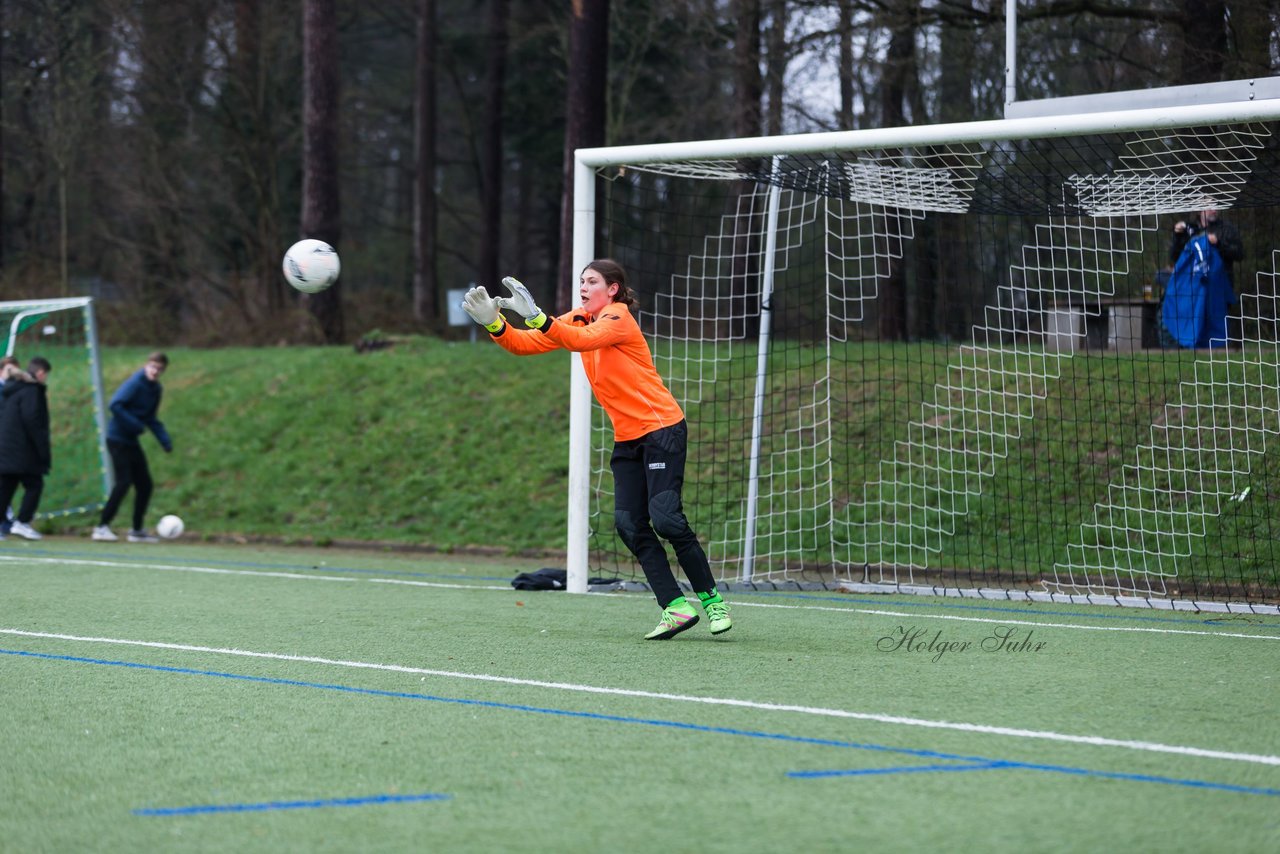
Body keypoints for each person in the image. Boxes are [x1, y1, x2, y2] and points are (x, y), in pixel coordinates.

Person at [461, 260, 732, 640]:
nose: (584, 287)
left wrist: (537, 315)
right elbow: (526, 344)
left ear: (614, 289)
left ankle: (712, 600)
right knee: (628, 524)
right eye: (581, 281)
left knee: (667, 520)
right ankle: (675, 607)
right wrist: (495, 323)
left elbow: (579, 342)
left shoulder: (618, 319)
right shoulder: (576, 319)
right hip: (627, 438)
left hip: (662, 429)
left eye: (592, 281)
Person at [93, 352, 172, 543]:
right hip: (117, 438)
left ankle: (136, 531)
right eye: (152, 366)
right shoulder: (135, 383)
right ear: (147, 365)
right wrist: (134, 424)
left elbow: (151, 418)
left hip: (131, 441)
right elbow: (115, 405)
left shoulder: (156, 389)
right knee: (124, 482)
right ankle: (101, 527)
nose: (155, 371)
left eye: (159, 369)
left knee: (145, 484)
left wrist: (164, 439)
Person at [1162, 209, 1243, 349]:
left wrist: (1218, 243)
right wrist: (1178, 235)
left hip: (1219, 289)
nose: (1214, 209)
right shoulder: (1189, 230)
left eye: (1215, 205)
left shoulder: (1226, 229)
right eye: (1209, 205)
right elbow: (1175, 257)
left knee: (1218, 325)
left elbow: (1239, 253)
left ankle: (1222, 348)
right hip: (1192, 290)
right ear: (1200, 210)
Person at [0, 357, 53, 540]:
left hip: (6, 448)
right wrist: (43, 449)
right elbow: (33, 421)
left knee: (6, 487)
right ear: (40, 373)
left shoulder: (10, 390)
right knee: (34, 484)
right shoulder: (31, 391)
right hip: (23, 449)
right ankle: (22, 522)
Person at [0, 356, 20, 536]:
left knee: (5, 485)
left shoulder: (14, 390)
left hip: (7, 445)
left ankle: (6, 523)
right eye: (9, 370)